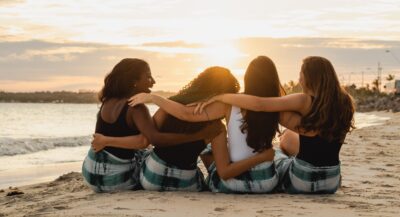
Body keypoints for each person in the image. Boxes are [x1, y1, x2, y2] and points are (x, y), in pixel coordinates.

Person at [92, 66, 274, 192]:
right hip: (185, 182)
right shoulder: (216, 128)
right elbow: (224, 171)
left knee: (142, 158)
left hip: (151, 179)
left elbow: (145, 139)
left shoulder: (169, 105)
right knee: (207, 164)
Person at [195, 56, 355, 194]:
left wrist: (222, 97)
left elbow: (259, 104)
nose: (299, 79)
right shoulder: (345, 102)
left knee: (278, 157)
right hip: (332, 180)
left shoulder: (303, 100)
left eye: (301, 74)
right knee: (287, 140)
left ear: (310, 77)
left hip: (301, 180)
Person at [82, 58, 220, 192]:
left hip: (90, 174)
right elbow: (151, 140)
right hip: (117, 181)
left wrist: (106, 141)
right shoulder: (136, 108)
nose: (153, 81)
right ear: (133, 82)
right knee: (147, 155)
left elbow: (140, 140)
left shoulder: (107, 101)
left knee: (142, 154)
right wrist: (200, 135)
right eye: (148, 77)